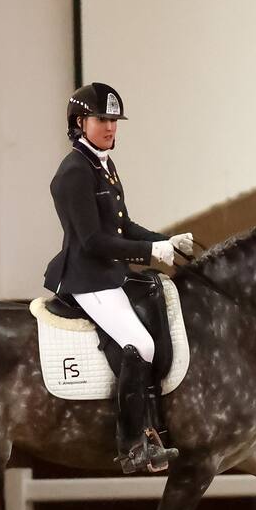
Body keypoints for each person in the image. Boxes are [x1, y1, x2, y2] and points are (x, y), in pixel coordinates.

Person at [44, 82, 194, 473]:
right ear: (80, 122)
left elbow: (123, 227)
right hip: (86, 277)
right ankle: (132, 445)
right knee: (140, 344)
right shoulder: (74, 172)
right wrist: (149, 254)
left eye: (114, 120)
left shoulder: (102, 165)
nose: (110, 127)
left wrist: (166, 241)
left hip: (110, 272)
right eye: (102, 119)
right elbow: (93, 240)